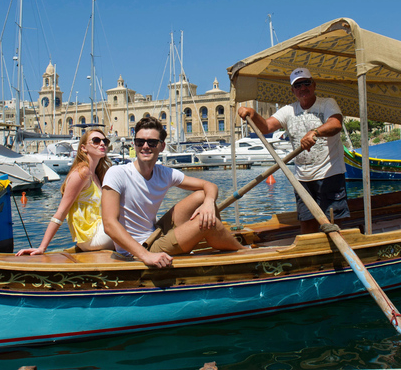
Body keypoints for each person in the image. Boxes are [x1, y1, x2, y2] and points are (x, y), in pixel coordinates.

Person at [101, 117, 243, 268]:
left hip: (156, 233)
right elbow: (109, 225)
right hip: (140, 248)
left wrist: (208, 203)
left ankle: (216, 241)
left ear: (162, 146)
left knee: (204, 196)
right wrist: (146, 256)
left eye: (152, 143)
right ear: (134, 144)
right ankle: (243, 252)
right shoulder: (117, 173)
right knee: (208, 223)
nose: (145, 146)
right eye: (140, 142)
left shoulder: (164, 173)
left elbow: (209, 185)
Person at [238, 67, 348, 234]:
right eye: (298, 86)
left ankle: (338, 257)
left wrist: (315, 132)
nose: (303, 88)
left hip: (329, 175)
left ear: (314, 84)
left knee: (334, 225)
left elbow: (336, 124)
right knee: (307, 226)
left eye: (306, 83)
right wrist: (252, 114)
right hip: (302, 180)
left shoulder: (327, 104)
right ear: (293, 90)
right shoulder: (288, 110)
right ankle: (311, 257)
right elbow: (267, 127)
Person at [17, 129, 115, 256]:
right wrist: (42, 247)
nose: (102, 144)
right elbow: (61, 211)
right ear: (83, 148)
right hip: (92, 237)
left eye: (105, 141)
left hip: (100, 232)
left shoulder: (96, 175)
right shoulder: (82, 173)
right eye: (96, 141)